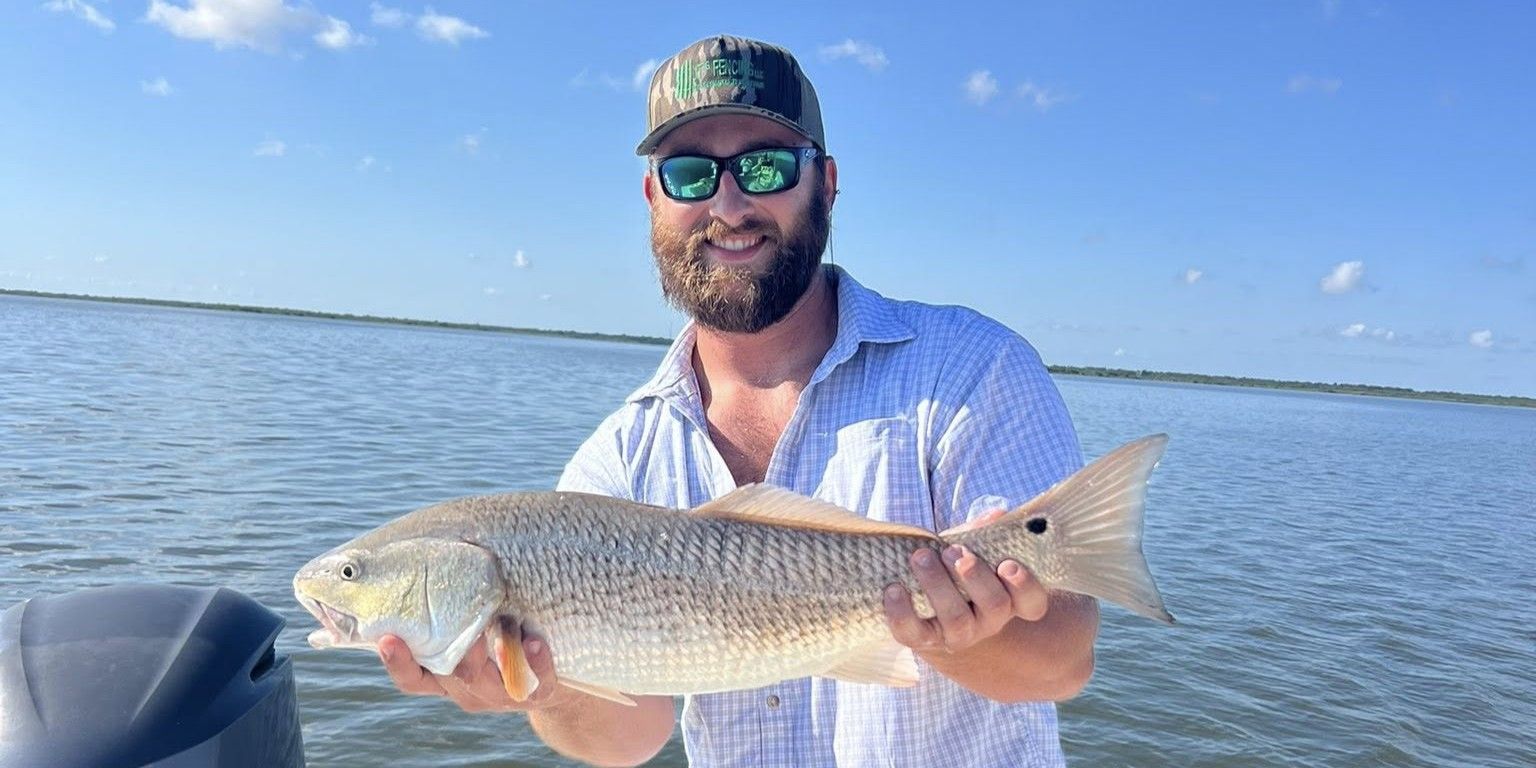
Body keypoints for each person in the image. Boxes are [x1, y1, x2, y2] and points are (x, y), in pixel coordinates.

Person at [378, 34, 1098, 767]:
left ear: (827, 181)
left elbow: (1063, 661)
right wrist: (540, 687)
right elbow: (632, 739)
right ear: (654, 197)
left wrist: (964, 631)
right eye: (690, 174)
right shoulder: (618, 459)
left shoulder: (972, 370)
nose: (728, 204)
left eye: (764, 166)